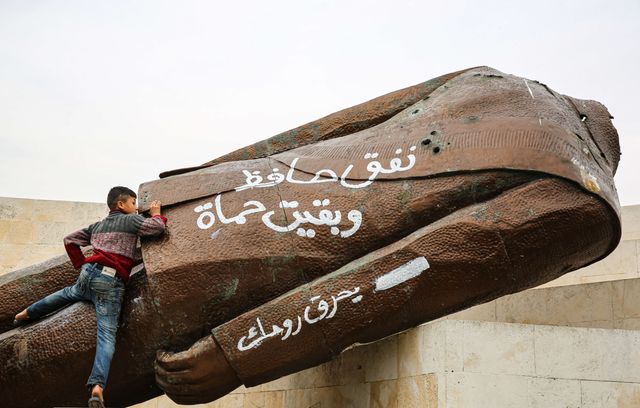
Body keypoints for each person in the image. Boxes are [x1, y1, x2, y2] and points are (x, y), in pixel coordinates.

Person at [13, 186, 167, 408]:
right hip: (109, 282)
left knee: (67, 293)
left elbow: (69, 240)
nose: (136, 207)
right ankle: (97, 386)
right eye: (133, 203)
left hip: (88, 274)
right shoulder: (130, 221)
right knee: (106, 334)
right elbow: (157, 228)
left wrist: (81, 263)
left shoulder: (98, 226)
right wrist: (156, 214)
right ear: (121, 205)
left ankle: (24, 314)